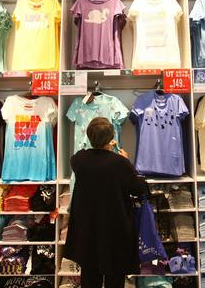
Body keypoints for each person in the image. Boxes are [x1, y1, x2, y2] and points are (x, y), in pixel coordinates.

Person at [64, 117, 147, 288]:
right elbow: (139, 189)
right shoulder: (120, 163)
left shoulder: (79, 159)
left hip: (88, 229)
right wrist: (127, 162)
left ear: (89, 136)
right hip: (114, 229)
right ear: (111, 138)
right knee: (115, 276)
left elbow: (93, 163)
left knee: (89, 276)